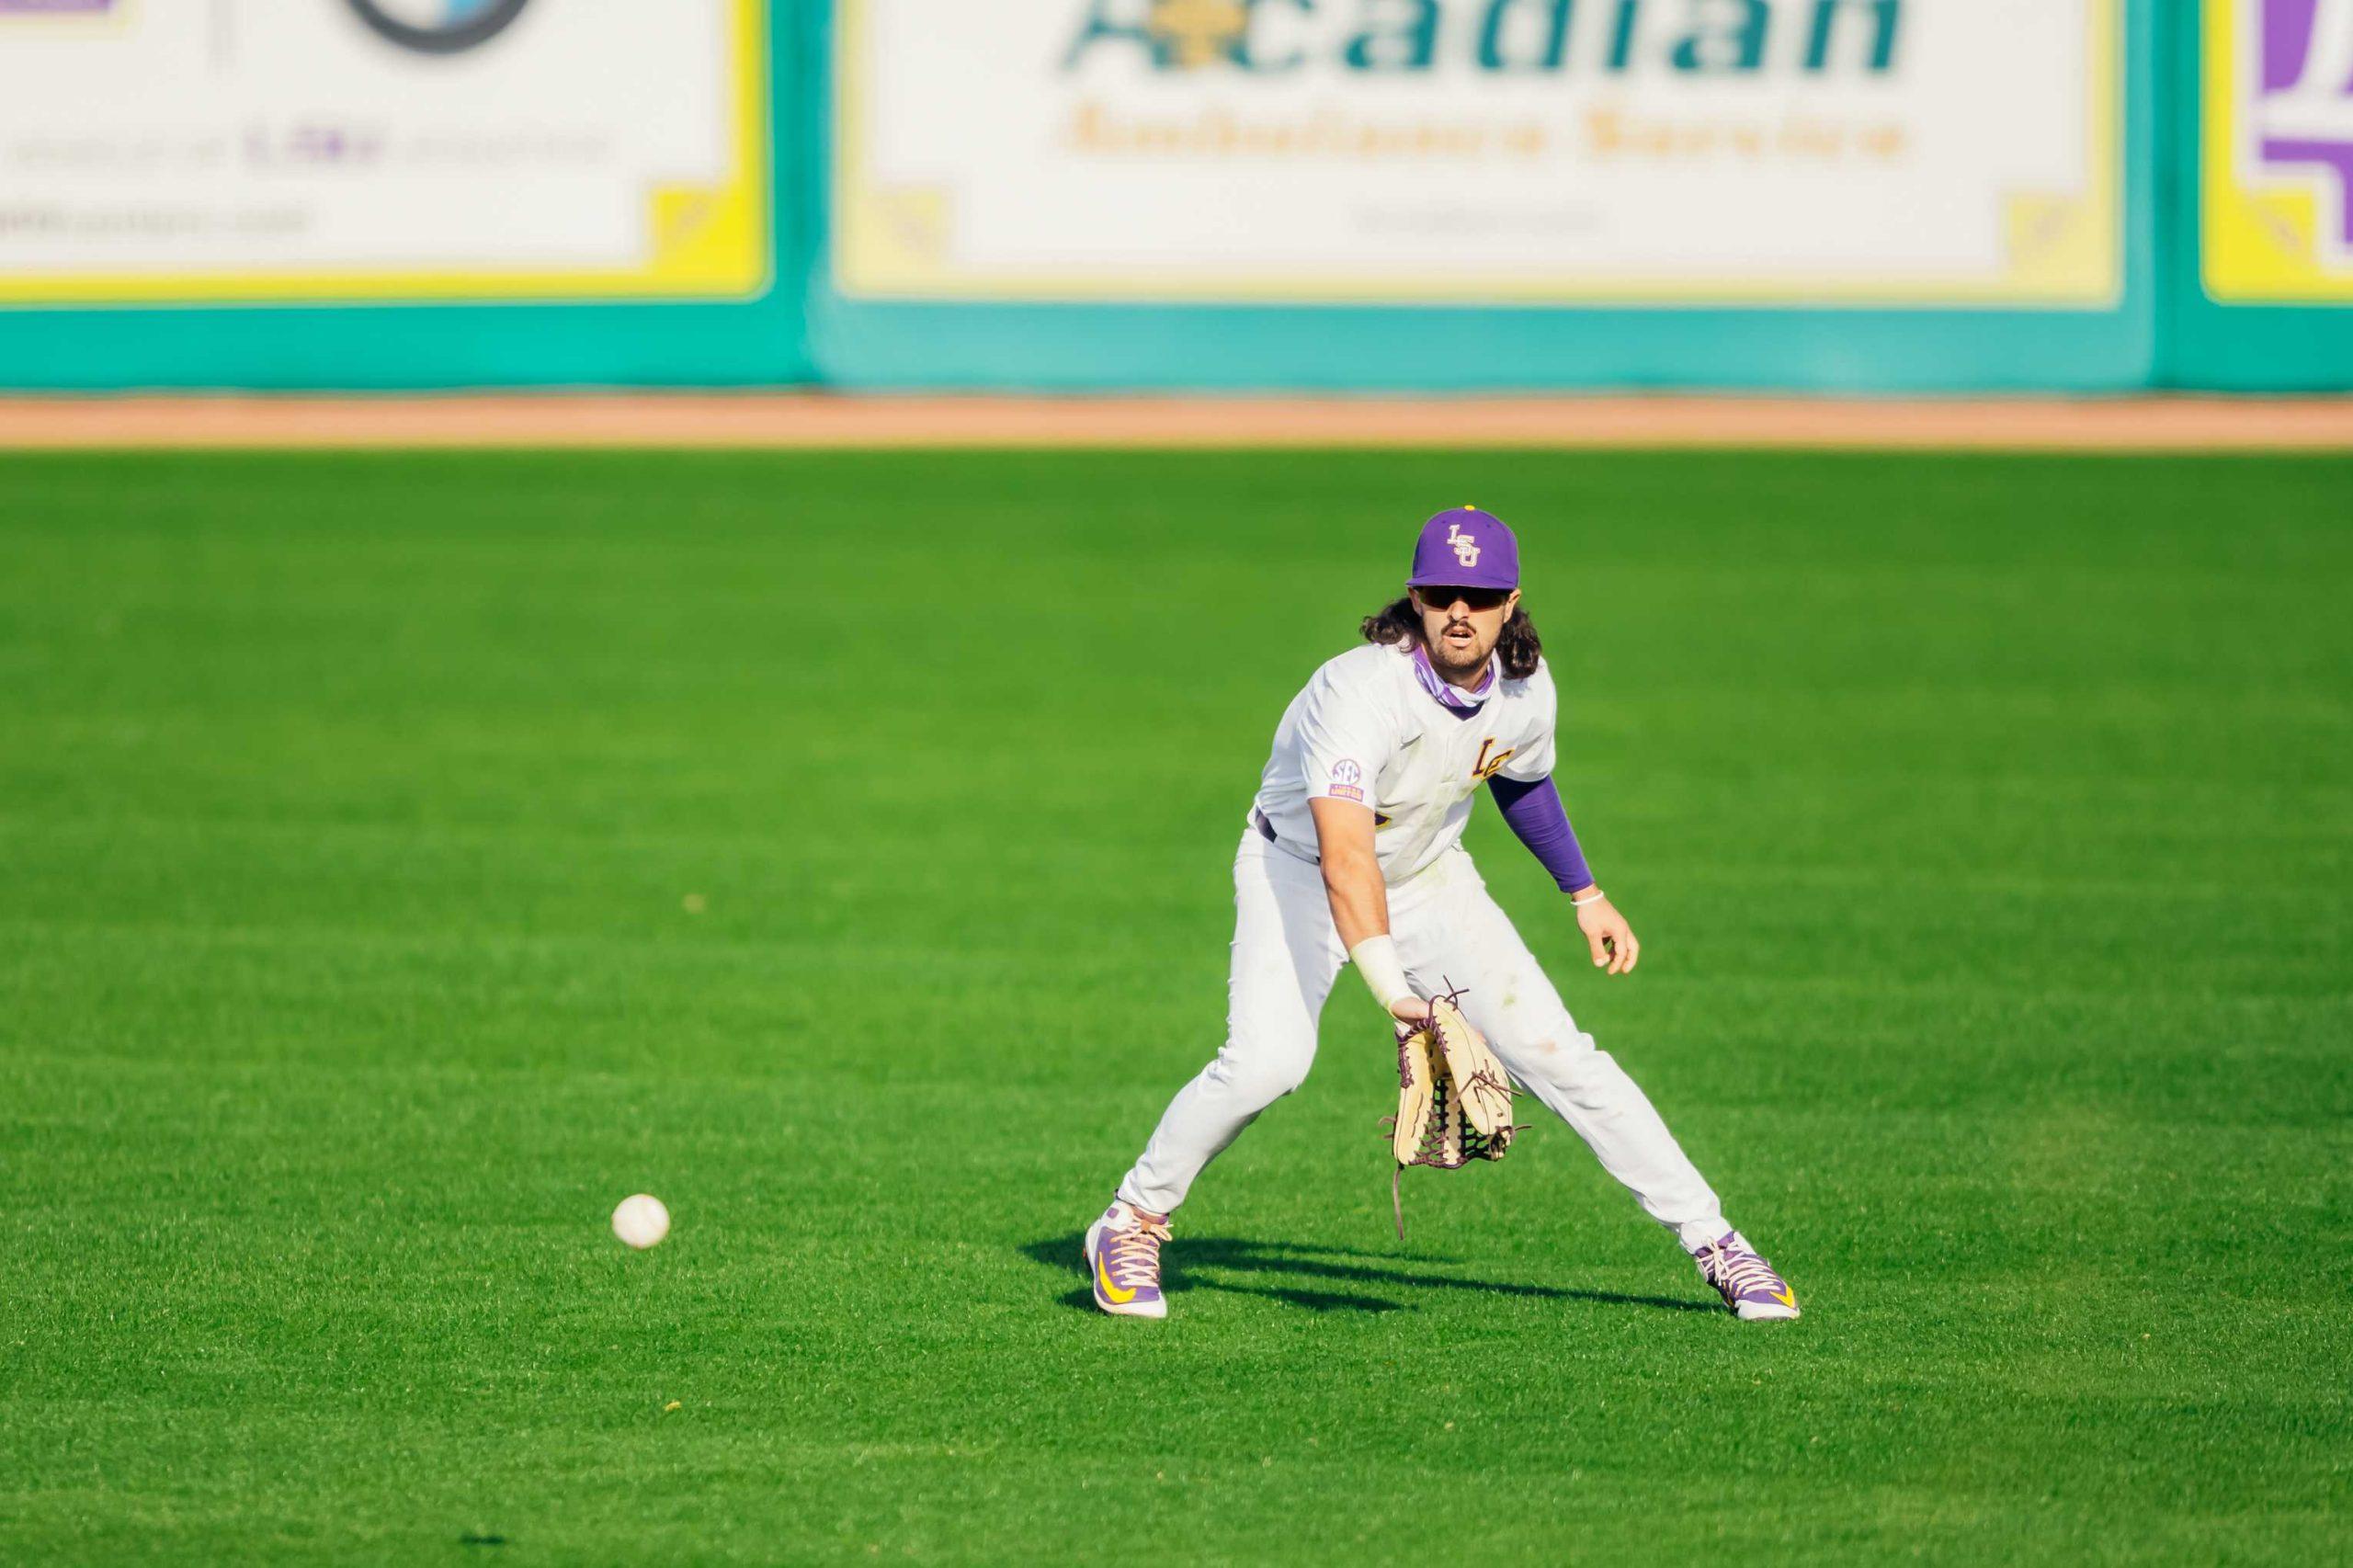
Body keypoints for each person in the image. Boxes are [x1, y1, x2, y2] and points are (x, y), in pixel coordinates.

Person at [1085, 506, 1798, 1323]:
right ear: (1415, 599)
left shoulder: (1526, 687)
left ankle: (1716, 1242)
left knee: (1560, 1054)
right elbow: (1347, 857)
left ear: (1511, 601)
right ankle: (1132, 1218)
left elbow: (1519, 779)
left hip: (1427, 876)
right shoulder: (1357, 693)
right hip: (1297, 868)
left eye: (1481, 594)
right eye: (1443, 591)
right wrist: (1396, 995)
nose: (1462, 610)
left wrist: (1585, 893)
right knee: (1266, 1062)